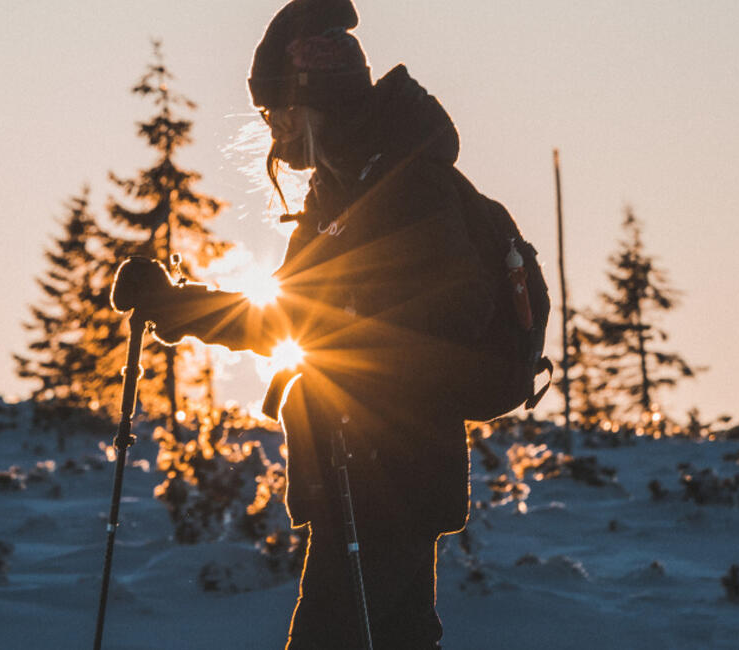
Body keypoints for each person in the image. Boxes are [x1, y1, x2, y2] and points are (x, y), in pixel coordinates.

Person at [111, 0, 503, 647]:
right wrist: (175, 305)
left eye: (275, 112)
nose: (273, 130)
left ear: (308, 100)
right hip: (359, 474)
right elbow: (287, 317)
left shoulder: (406, 181)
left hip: (390, 477)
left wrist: (359, 327)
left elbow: (460, 307)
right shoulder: (335, 194)